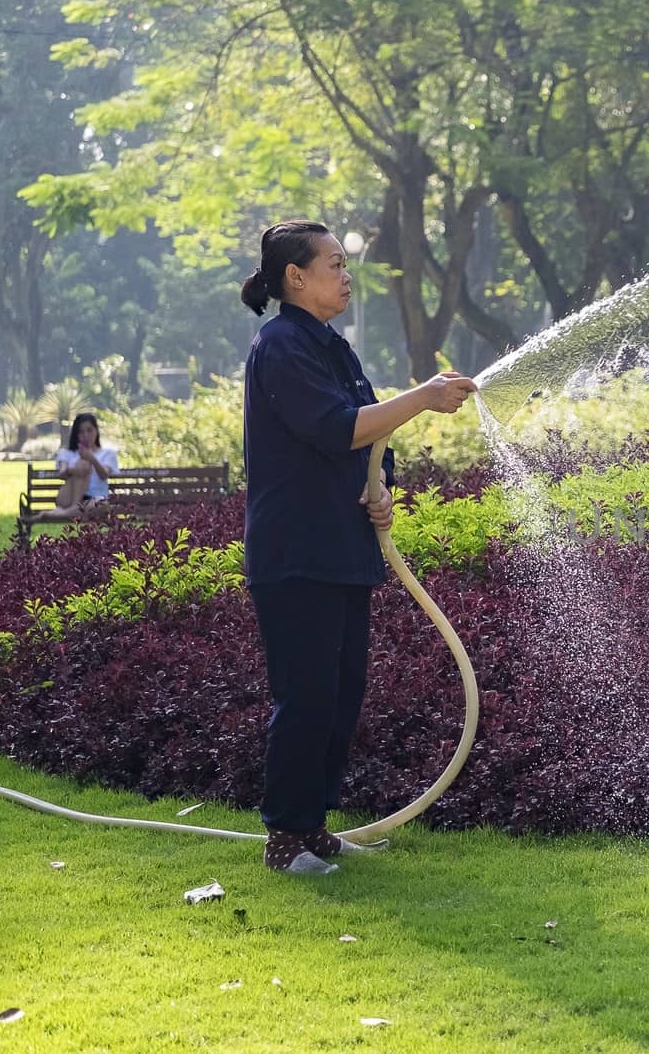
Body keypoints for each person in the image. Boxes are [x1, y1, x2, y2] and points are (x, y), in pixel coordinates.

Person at [241, 219, 476, 874]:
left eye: (346, 265)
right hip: (295, 553)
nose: (347, 277)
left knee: (342, 695)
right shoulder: (279, 346)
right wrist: (424, 397)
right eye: (335, 265)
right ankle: (285, 838)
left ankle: (313, 827)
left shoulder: (333, 348)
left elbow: (371, 438)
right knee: (308, 696)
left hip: (342, 548)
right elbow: (335, 427)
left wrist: (381, 486)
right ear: (296, 277)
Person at [44, 413, 119, 519]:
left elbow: (104, 475)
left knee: (102, 505)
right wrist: (75, 469)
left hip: (95, 499)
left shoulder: (108, 454)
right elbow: (62, 473)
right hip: (69, 499)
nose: (86, 435)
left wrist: (91, 458)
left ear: (96, 431)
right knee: (82, 466)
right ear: (76, 434)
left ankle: (60, 514)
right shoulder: (66, 453)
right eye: (81, 432)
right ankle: (72, 511)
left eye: (89, 430)